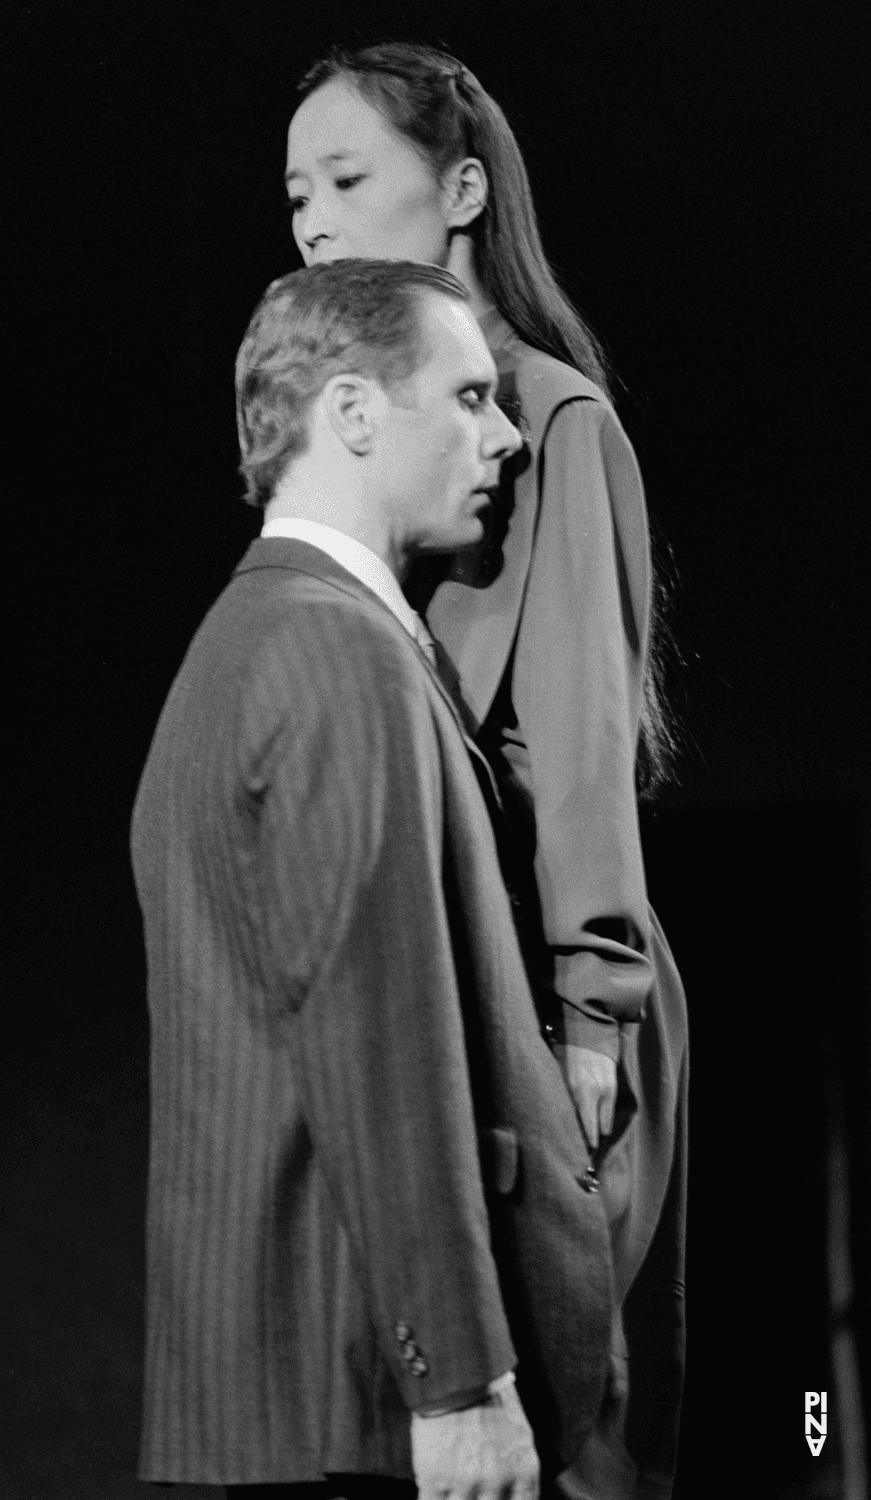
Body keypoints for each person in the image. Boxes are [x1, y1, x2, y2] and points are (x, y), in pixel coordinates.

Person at [131, 258, 622, 1499]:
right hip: (366, 1411)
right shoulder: (331, 654)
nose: (507, 438)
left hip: (313, 1401)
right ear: (351, 413)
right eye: (466, 399)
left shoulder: (252, 640)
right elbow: (379, 1043)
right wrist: (458, 1383)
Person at [285, 44, 689, 1500]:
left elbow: (578, 744)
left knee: (571, 1439)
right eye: (294, 195)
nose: (313, 223)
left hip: (551, 1000)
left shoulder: (543, 420)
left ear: (459, 190)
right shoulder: (376, 430)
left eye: (345, 181)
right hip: (454, 985)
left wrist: (590, 1019)